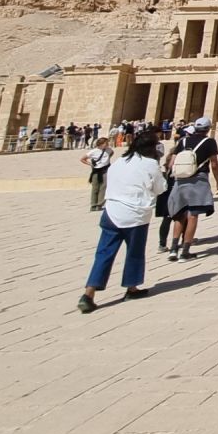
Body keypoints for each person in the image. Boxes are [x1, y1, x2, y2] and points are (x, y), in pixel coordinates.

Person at [77, 129, 168, 313]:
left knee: (103, 253)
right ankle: (131, 288)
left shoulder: (120, 161)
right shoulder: (151, 165)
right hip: (135, 215)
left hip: (111, 212)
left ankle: (88, 293)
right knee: (134, 252)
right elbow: (161, 188)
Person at [164, 119, 218, 261]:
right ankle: (185, 251)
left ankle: (173, 249)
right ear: (208, 129)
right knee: (193, 215)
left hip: (180, 180)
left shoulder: (183, 141)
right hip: (198, 180)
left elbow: (172, 163)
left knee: (179, 215)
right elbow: (214, 164)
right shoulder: (209, 142)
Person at [81, 135, 113, 211]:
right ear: (101, 144)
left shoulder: (108, 150)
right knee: (95, 188)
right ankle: (93, 205)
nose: (107, 144)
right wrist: (90, 164)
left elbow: (111, 153)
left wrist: (107, 160)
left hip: (105, 170)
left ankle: (99, 204)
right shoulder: (93, 151)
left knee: (103, 187)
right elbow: (82, 159)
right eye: (106, 143)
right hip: (96, 171)